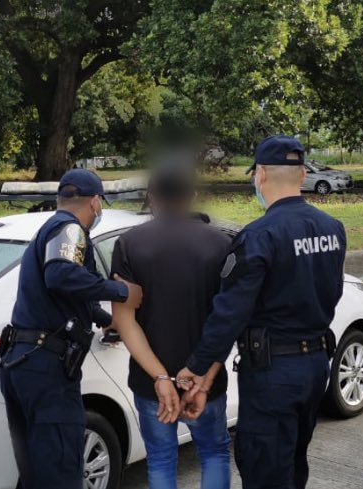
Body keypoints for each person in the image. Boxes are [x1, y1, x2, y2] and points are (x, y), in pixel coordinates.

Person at [177, 135, 347, 489]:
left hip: (273, 375)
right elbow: (333, 293)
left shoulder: (259, 236)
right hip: (316, 366)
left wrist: (196, 368)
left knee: (265, 468)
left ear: (261, 176)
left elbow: (230, 313)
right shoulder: (333, 229)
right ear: (302, 176)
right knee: (294, 465)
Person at [0, 169, 143, 489]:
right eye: (99, 204)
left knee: (38, 471)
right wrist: (122, 293)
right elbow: (61, 276)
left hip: (22, 363)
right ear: (94, 202)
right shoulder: (70, 229)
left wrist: (107, 320)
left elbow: (69, 294)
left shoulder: (47, 231)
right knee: (62, 470)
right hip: (46, 368)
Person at [110, 166, 232, 489]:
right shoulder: (220, 244)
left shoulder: (128, 244)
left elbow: (124, 320)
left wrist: (161, 377)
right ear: (192, 196)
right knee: (215, 453)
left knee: (161, 460)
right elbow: (229, 320)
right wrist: (204, 377)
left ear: (151, 198)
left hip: (151, 383)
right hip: (207, 380)